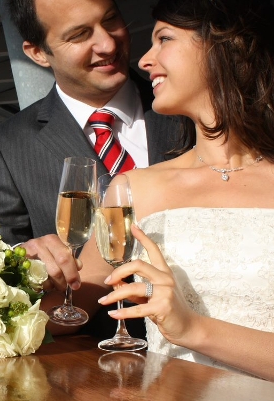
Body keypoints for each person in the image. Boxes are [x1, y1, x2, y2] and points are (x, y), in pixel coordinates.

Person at [78, 0, 274, 380]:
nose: (144, 61)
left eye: (163, 38)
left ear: (226, 45)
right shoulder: (133, 189)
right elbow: (66, 309)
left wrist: (192, 328)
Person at [0, 0, 184, 334]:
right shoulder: (8, 145)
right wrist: (23, 259)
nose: (108, 44)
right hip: (83, 363)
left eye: (111, 20)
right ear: (38, 53)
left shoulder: (190, 111)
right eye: (80, 35)